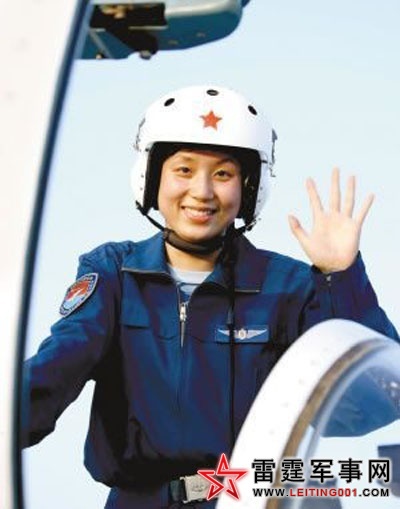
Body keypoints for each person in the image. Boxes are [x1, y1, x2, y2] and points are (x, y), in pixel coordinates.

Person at [21, 85, 399, 508]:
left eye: (223, 174)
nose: (202, 191)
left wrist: (341, 279)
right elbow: (53, 373)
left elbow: (372, 405)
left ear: (249, 189)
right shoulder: (114, 274)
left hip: (253, 500)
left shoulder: (290, 288)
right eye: (183, 170)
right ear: (151, 177)